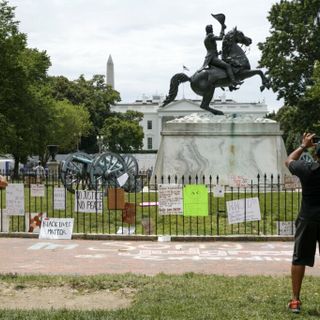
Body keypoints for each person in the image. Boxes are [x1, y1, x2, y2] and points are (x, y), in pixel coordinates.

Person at [285, 132, 320, 313]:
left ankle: (295, 300)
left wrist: (304, 145)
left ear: (316, 154)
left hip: (308, 218)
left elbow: (289, 160)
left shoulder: (307, 169)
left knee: (299, 258)